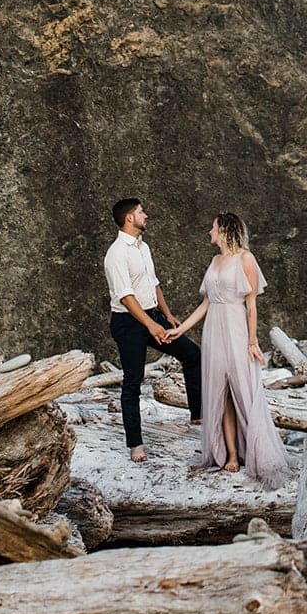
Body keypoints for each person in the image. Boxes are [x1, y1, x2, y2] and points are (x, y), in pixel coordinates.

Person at [166, 212, 292, 489]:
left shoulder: (246, 259)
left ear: (223, 230)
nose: (209, 231)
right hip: (214, 329)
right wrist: (181, 329)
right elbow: (206, 303)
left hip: (236, 328)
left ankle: (258, 453)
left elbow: (251, 305)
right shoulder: (214, 261)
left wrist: (252, 341)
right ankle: (231, 454)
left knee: (244, 391)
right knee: (220, 391)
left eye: (212, 227)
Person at [104, 197, 202, 464]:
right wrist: (151, 325)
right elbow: (126, 296)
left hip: (152, 315)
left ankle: (197, 415)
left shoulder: (143, 247)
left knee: (193, 355)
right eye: (140, 212)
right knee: (133, 382)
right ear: (129, 219)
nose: (145, 215)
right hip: (128, 323)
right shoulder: (116, 254)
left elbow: (154, 284)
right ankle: (135, 444)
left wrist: (167, 316)